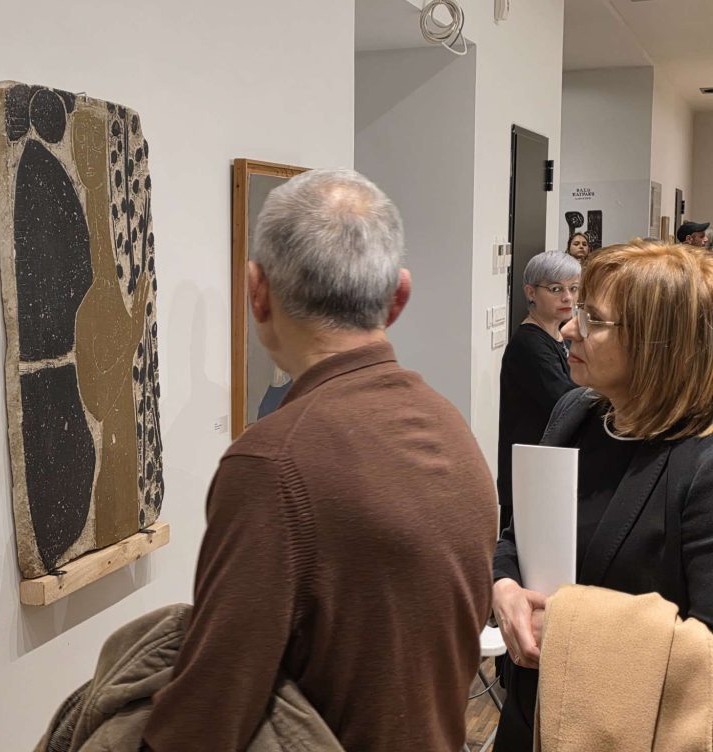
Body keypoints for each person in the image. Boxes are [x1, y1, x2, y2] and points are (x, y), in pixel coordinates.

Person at [143, 169, 497, 751]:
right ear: (399, 296)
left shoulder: (271, 463)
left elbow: (206, 718)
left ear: (257, 291)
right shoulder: (451, 428)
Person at [491, 241, 713, 750]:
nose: (570, 328)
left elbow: (704, 647)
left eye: (593, 319)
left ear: (660, 342)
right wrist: (503, 585)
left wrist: (568, 626)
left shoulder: (701, 466)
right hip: (532, 712)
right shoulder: (576, 413)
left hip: (627, 729)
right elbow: (519, 537)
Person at [496, 251, 580, 531]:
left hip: (549, 468)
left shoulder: (558, 336)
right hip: (532, 475)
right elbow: (568, 401)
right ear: (531, 292)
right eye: (556, 289)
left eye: (573, 288)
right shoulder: (529, 344)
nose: (567, 298)